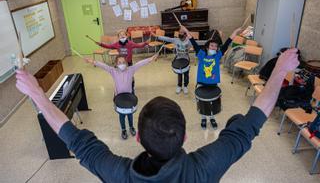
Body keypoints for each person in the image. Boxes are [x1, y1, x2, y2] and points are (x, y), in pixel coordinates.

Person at [16, 49, 299, 182]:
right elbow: (249, 125)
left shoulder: (119, 175)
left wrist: (37, 94)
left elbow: (75, 139)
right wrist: (279, 70)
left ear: (138, 137)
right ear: (185, 136)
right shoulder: (202, 170)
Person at [84, 54, 158, 139]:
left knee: (130, 114)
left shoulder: (131, 70)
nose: (122, 64)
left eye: (123, 62)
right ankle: (123, 129)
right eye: (119, 62)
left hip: (129, 97)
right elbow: (103, 66)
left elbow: (140, 63)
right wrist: (92, 61)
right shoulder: (113, 71)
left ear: (126, 63)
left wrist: (150, 59)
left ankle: (131, 127)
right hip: (119, 98)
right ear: (116, 64)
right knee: (121, 115)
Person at [182, 26, 243, 129]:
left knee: (212, 102)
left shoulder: (218, 55)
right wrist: (185, 30)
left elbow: (228, 42)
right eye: (211, 45)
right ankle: (203, 118)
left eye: (215, 46)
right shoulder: (201, 54)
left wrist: (235, 31)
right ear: (207, 46)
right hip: (201, 83)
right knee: (202, 103)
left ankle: (212, 118)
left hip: (213, 84)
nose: (213, 47)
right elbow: (192, 40)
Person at [152, 28, 192, 94]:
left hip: (186, 59)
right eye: (179, 32)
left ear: (185, 35)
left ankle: (185, 86)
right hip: (178, 58)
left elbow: (197, 44)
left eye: (182, 33)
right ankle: (179, 86)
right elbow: (167, 38)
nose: (180, 34)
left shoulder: (189, 41)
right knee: (179, 73)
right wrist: (157, 36)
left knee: (186, 73)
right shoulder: (175, 40)